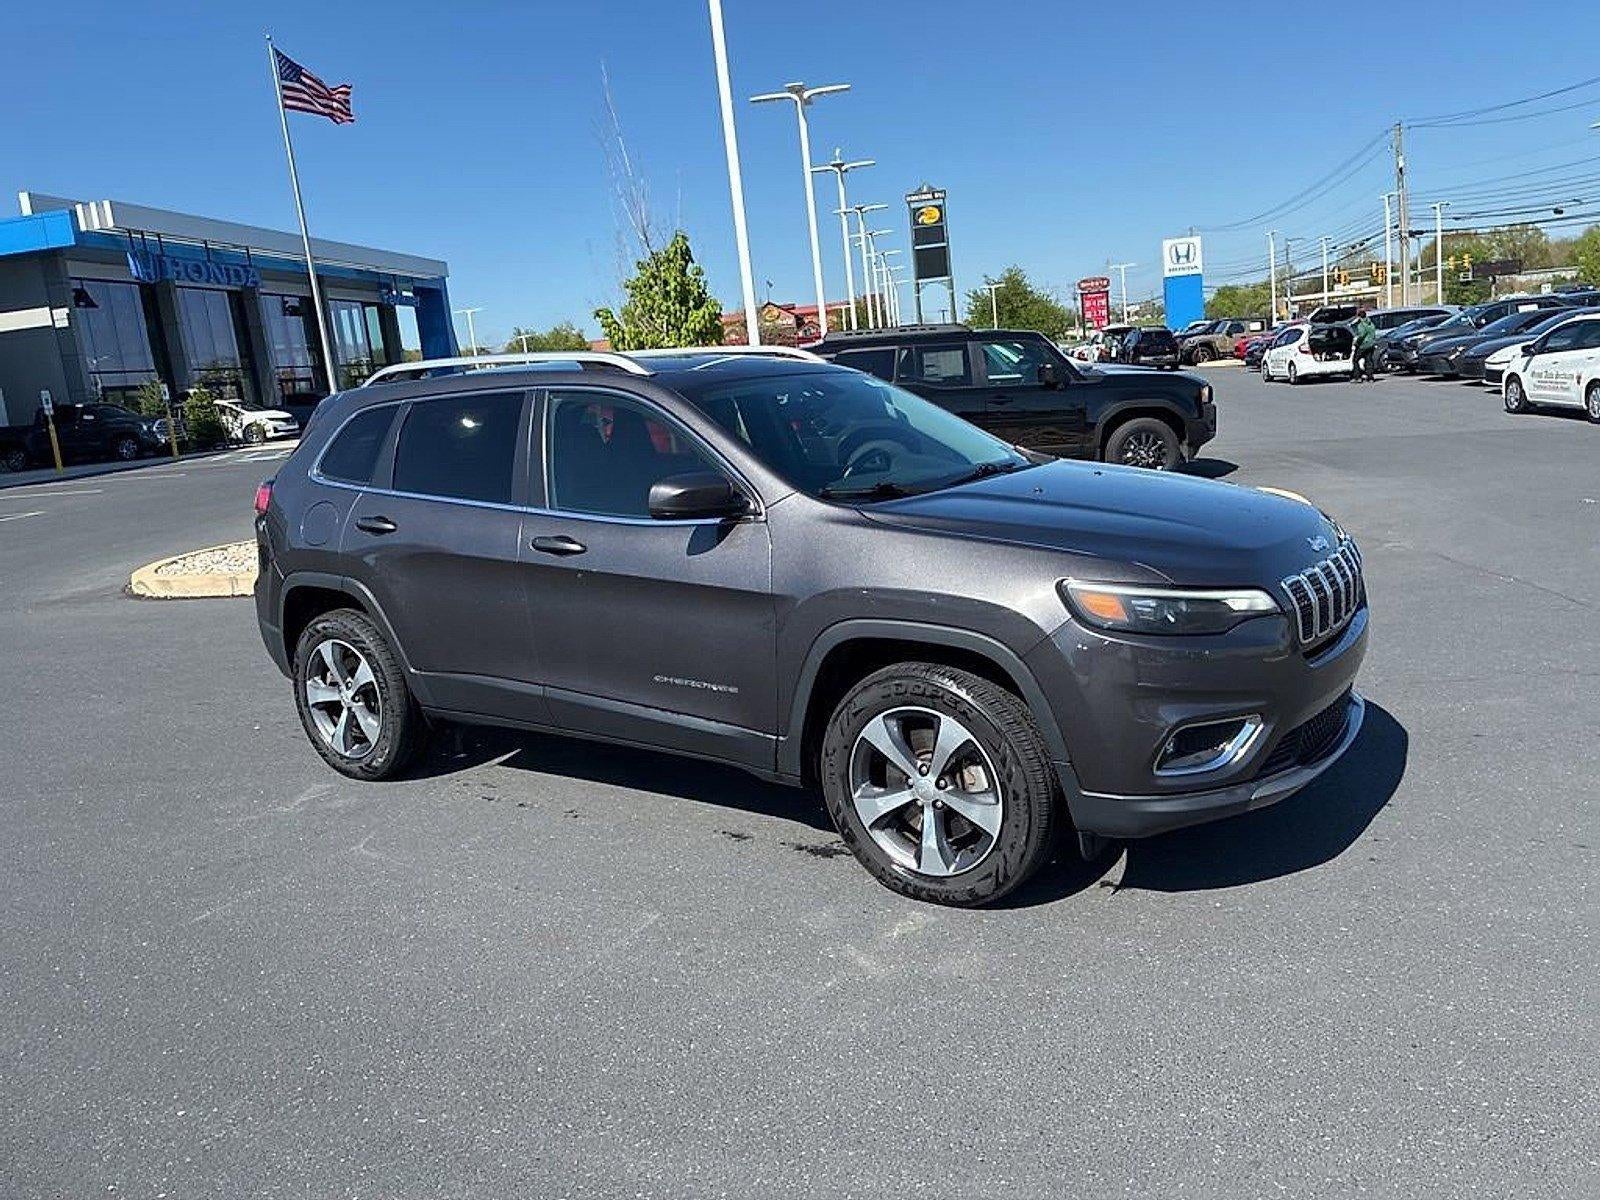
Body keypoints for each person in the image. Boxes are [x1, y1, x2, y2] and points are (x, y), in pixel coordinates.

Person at [1351, 308, 1377, 382]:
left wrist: (1356, 342)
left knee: (1355, 360)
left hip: (1363, 345)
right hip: (1371, 344)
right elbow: (1373, 333)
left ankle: (1357, 377)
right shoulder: (1371, 323)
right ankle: (1370, 377)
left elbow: (1361, 334)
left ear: (1359, 316)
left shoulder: (1361, 324)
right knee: (1369, 361)